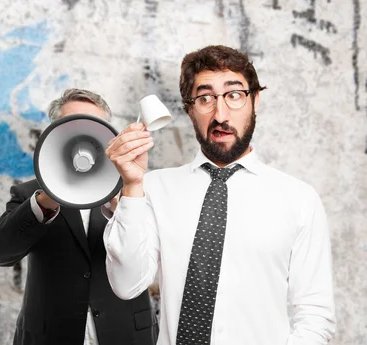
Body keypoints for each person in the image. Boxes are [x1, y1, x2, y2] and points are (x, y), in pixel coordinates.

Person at [103, 45, 336, 345]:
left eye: (234, 95)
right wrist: (132, 186)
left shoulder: (299, 199)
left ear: (255, 100)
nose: (220, 114)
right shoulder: (153, 188)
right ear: (189, 109)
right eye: (205, 98)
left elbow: (315, 316)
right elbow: (126, 284)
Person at [0, 88, 158, 345]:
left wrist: (122, 203)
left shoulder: (136, 188)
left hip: (126, 333)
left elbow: (148, 261)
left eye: (93, 126)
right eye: (73, 125)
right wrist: (47, 199)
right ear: (55, 134)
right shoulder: (29, 193)